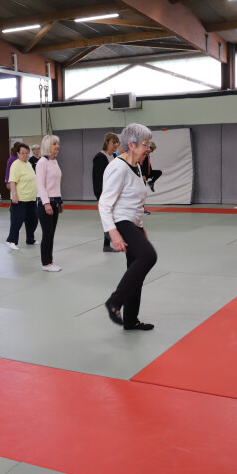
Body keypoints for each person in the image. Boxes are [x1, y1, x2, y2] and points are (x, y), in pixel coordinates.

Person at [98, 123, 156, 331]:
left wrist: (141, 226)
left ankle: (131, 320)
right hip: (121, 222)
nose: (148, 149)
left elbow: (134, 201)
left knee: (136, 271)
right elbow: (105, 204)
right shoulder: (117, 167)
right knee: (148, 257)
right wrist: (113, 233)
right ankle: (114, 301)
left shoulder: (136, 165)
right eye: (145, 144)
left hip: (133, 223)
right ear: (131, 145)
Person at [35, 134, 63, 272]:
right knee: (47, 233)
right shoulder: (42, 162)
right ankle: (45, 263)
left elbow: (56, 184)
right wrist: (46, 203)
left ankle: (50, 261)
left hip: (55, 201)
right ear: (47, 146)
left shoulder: (54, 161)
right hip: (45, 202)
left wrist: (60, 201)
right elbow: (40, 185)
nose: (57, 146)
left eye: (57, 143)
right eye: (54, 144)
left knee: (52, 234)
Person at [6, 142, 38, 250]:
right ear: (18, 154)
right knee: (17, 220)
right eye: (22, 153)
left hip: (31, 198)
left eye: (27, 153)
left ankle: (30, 239)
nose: (25, 155)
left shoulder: (28, 164)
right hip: (20, 198)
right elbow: (12, 181)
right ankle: (11, 240)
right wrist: (14, 195)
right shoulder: (16, 164)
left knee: (32, 220)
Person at [92, 132, 120, 253]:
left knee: (114, 217)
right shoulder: (100, 158)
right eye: (113, 143)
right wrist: (99, 195)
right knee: (108, 217)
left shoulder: (114, 156)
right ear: (107, 142)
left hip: (114, 192)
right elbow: (97, 179)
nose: (115, 145)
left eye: (117, 143)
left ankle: (106, 244)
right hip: (104, 193)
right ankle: (108, 240)